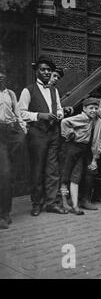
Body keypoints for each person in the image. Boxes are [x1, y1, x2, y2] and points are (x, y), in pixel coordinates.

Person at [18, 55, 68, 216]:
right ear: (37, 72)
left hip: (53, 133)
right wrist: (39, 115)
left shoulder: (54, 90)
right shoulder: (28, 90)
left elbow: (59, 108)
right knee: (37, 169)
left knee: (52, 169)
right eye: (43, 69)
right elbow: (20, 112)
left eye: (48, 70)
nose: (46, 72)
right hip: (37, 133)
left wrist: (59, 114)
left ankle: (51, 203)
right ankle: (37, 203)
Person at [59, 98, 101, 215]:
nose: (94, 110)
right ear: (84, 109)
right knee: (65, 176)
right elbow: (64, 122)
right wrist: (70, 133)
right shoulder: (82, 117)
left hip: (82, 149)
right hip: (71, 147)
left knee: (76, 176)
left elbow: (98, 139)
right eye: (91, 108)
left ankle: (75, 206)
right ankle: (64, 202)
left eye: (96, 108)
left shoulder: (96, 121)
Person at [0, 72, 28, 229]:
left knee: (9, 175)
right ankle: (3, 215)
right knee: (4, 174)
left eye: (2, 74)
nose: (0, 77)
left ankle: (6, 212)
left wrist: (22, 131)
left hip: (12, 133)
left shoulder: (10, 93)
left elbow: (17, 114)